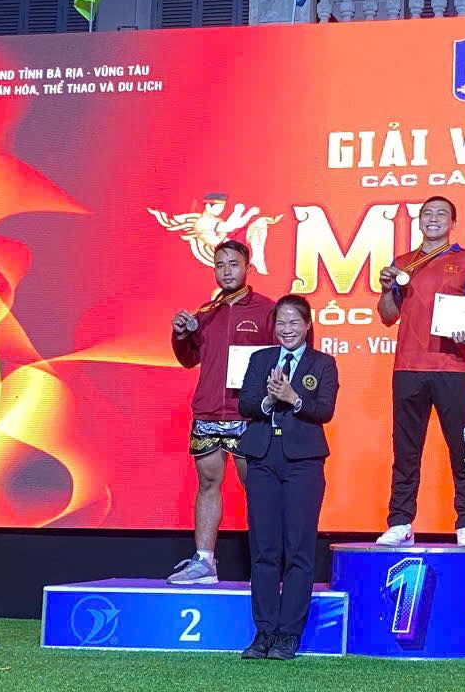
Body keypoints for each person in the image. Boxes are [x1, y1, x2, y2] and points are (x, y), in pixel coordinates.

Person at [375, 196, 465, 547]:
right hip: (408, 367)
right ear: (419, 220)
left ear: (453, 223)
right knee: (405, 448)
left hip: (451, 367)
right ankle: (400, 521)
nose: (433, 218)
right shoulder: (402, 263)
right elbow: (388, 316)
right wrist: (386, 289)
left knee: (463, 445)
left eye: (441, 214)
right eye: (427, 213)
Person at [168, 238, 276, 585]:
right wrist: (180, 334)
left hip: (249, 415)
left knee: (256, 489)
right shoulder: (205, 313)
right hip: (208, 412)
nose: (226, 271)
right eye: (220, 265)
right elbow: (188, 360)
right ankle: (204, 563)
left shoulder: (267, 310)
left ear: (248, 268)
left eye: (233, 264)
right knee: (208, 484)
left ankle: (267, 565)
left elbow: (284, 360)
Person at [237, 295, 339, 661]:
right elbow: (245, 404)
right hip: (263, 458)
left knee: (298, 549)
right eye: (281, 322)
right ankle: (263, 631)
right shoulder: (260, 359)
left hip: (303, 463)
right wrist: (268, 400)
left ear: (308, 325)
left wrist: (294, 398)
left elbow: (325, 410)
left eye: (294, 322)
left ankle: (288, 634)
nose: (287, 329)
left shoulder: (322, 363)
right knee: (264, 548)